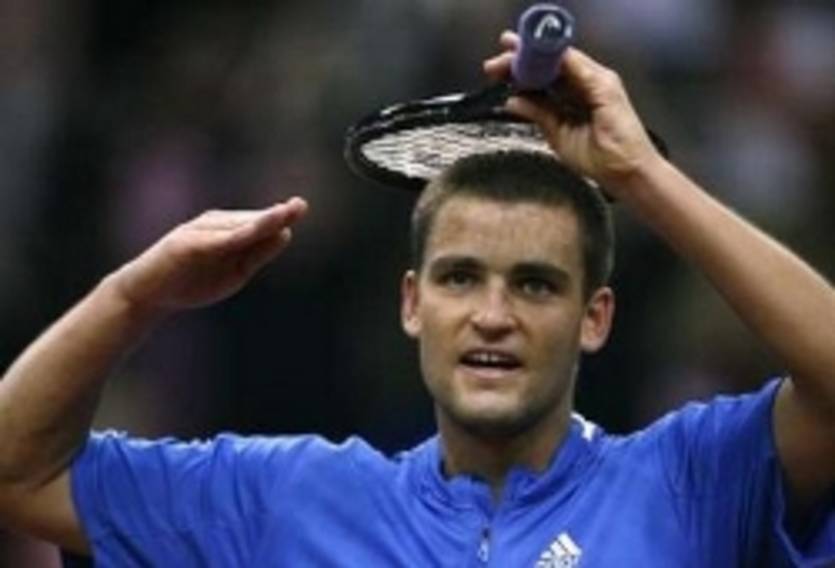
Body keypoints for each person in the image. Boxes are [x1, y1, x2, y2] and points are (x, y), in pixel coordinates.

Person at [0, 30, 833, 567]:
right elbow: (20, 470)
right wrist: (136, 295)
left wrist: (641, 176)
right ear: (411, 303)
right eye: (459, 277)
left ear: (595, 318)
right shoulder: (283, 500)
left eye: (535, 284)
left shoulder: (689, 482)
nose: (492, 316)